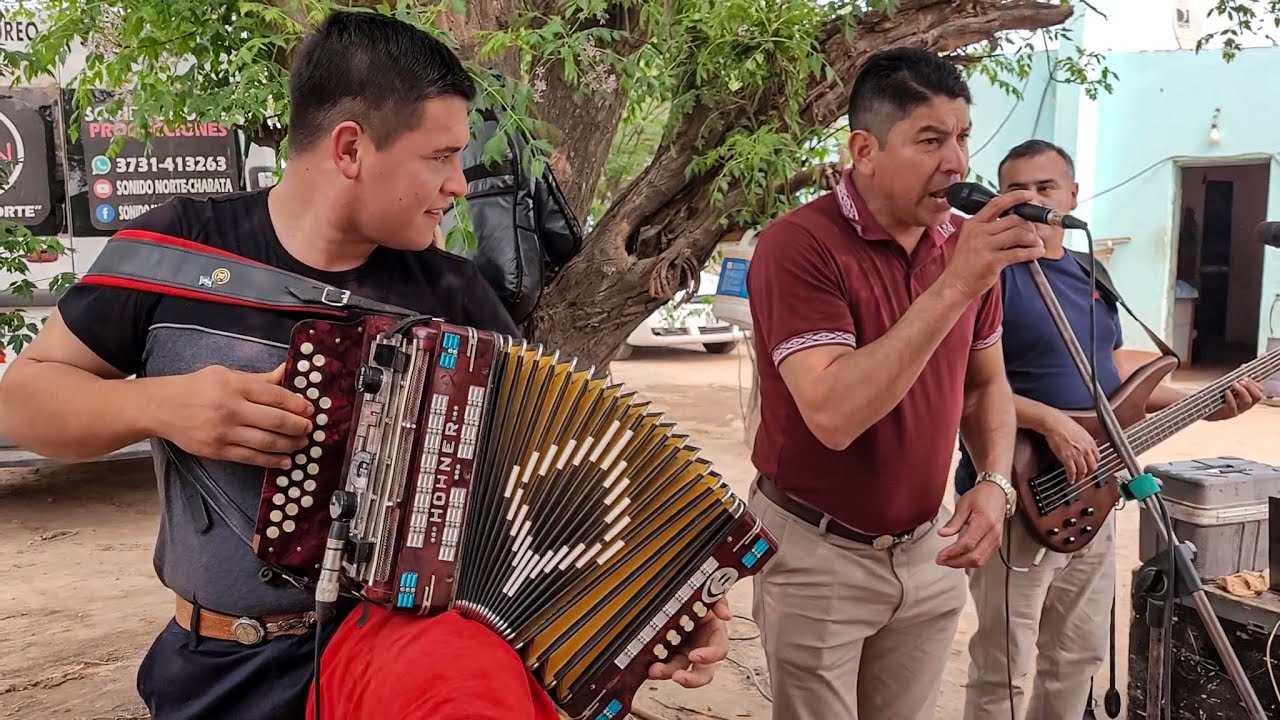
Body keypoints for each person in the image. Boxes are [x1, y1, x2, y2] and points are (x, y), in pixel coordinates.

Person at [0, 10, 727, 719]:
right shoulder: (177, 251)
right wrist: (157, 406)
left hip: (395, 661)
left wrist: (666, 603)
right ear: (350, 150)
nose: (459, 185)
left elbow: (544, 491)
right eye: (441, 156)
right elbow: (23, 401)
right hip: (217, 670)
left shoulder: (454, 295)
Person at [744, 46, 1047, 720]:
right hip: (817, 552)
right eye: (931, 140)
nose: (959, 164)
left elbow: (983, 386)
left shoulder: (961, 244)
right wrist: (957, 284)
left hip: (924, 548)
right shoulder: (799, 247)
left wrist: (995, 484)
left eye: (963, 137)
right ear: (865, 150)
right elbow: (832, 412)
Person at [956, 139, 1265, 720]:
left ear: (1071, 196)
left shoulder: (1087, 272)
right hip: (1019, 493)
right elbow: (951, 384)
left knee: (1076, 659)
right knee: (1004, 667)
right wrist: (1047, 421)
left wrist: (1204, 402)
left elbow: (1114, 370)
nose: (1029, 199)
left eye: (1044, 188)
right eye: (1015, 189)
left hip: (1092, 492)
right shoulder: (985, 276)